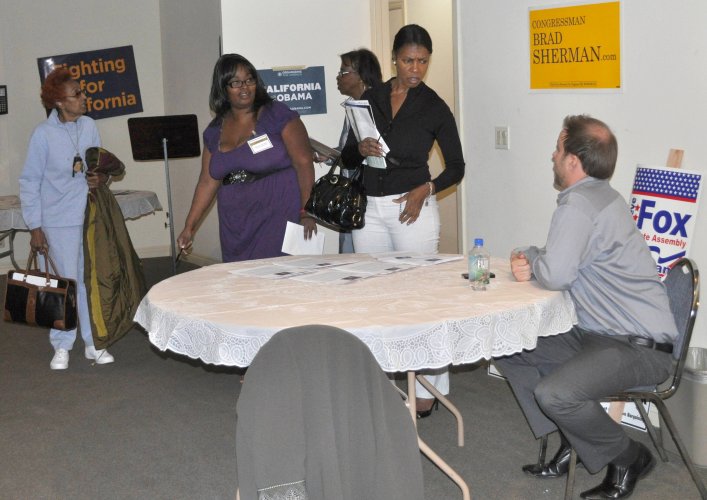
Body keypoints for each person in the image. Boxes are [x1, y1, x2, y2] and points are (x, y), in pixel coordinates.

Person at [494, 115, 677, 499]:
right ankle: (575, 438)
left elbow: (557, 274)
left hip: (637, 348)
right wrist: (532, 254)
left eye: (558, 149)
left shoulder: (579, 204)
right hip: (600, 336)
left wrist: (530, 258)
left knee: (556, 394)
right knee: (508, 345)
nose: (553, 156)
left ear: (573, 160)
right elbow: (561, 258)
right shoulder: (602, 196)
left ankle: (629, 457)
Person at [341, 24, 465, 416]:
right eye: (409, 60)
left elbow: (457, 166)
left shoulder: (434, 106)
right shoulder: (371, 97)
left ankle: (431, 386)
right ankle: (383, 382)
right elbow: (347, 156)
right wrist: (359, 149)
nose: (416, 69)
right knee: (375, 298)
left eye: (423, 61)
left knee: (420, 300)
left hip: (413, 209)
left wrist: (427, 188)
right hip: (370, 210)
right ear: (395, 59)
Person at [177, 53, 316, 262]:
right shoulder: (214, 131)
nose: (245, 87)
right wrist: (189, 227)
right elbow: (207, 182)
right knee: (240, 276)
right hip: (235, 221)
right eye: (236, 83)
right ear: (223, 88)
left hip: (279, 211)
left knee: (280, 273)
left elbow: (304, 163)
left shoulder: (276, 114)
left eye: (249, 80)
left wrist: (307, 212)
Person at [19, 67, 114, 370]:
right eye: (77, 94)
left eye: (82, 92)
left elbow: (98, 167)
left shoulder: (89, 126)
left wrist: (101, 178)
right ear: (60, 102)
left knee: (88, 281)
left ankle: (92, 343)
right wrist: (35, 226)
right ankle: (61, 344)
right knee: (63, 284)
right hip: (57, 221)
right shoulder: (43, 134)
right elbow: (30, 181)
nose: (85, 97)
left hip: (87, 216)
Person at [314, 48, 382, 253]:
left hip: (367, 197)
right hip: (349, 194)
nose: (338, 77)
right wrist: (328, 155)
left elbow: (371, 152)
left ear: (361, 76)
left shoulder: (375, 107)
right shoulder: (353, 106)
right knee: (348, 254)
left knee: (362, 256)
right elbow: (349, 150)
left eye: (343, 72)